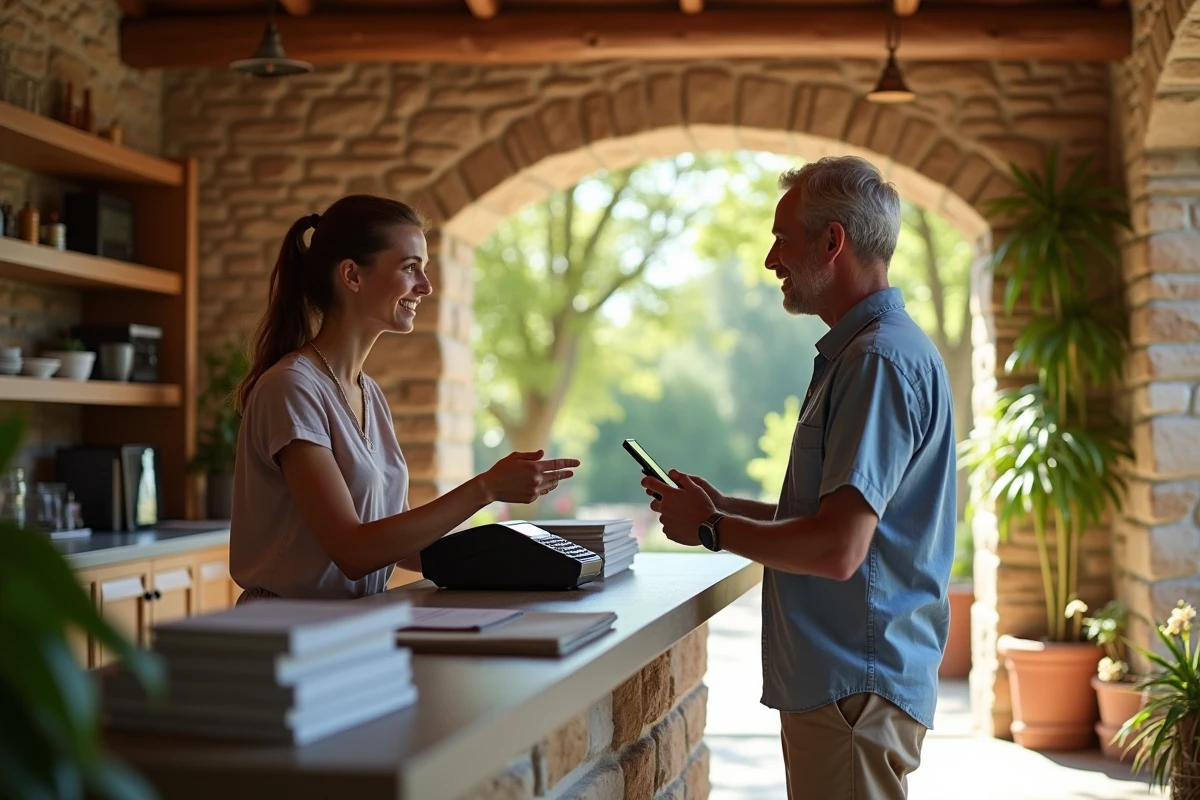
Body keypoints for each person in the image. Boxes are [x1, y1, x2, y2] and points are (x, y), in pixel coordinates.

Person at [642, 156, 956, 799]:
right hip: (847, 687)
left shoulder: (877, 362)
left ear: (832, 241)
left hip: (852, 693)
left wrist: (711, 528)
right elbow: (831, 517)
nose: (769, 259)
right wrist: (726, 506)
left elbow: (839, 549)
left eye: (782, 239)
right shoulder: (869, 353)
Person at [231, 194, 579, 601]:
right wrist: (485, 488)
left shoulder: (368, 394)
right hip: (284, 636)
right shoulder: (291, 388)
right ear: (352, 276)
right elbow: (354, 550)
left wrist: (521, 552)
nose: (426, 286)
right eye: (410, 268)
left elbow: (396, 544)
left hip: (346, 629)